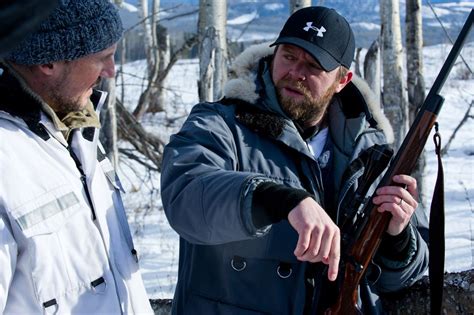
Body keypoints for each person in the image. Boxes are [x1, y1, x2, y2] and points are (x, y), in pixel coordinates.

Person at [161, 6, 429, 315]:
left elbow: (402, 281)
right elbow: (185, 195)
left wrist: (397, 235)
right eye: (288, 56)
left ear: (343, 80)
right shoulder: (221, 123)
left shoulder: (371, 153)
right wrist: (280, 200)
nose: (296, 73)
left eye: (314, 66)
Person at [0, 0, 153, 313]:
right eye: (103, 58)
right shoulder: (7, 157)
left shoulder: (76, 128)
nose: (112, 72)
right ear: (49, 62)